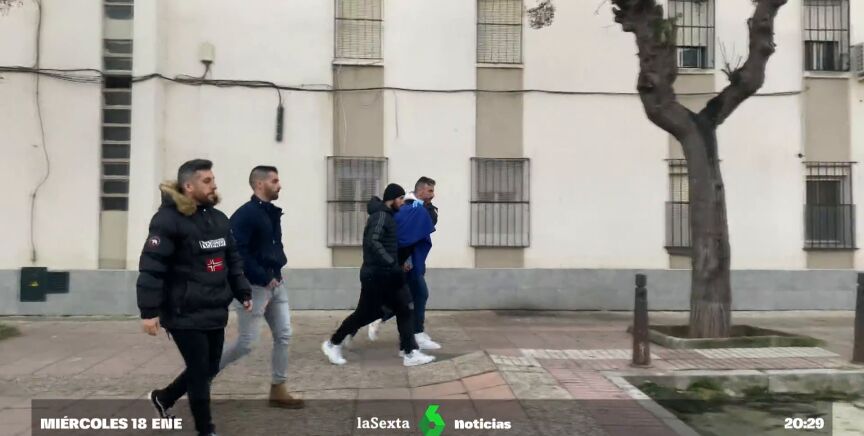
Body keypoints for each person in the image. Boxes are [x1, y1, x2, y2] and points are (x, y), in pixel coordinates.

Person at [138, 159, 252, 436]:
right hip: (183, 311)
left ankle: (164, 397)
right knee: (200, 372)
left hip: (214, 307)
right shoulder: (167, 220)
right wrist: (149, 311)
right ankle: (206, 430)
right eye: (207, 181)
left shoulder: (218, 219)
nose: (214, 185)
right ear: (189, 186)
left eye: (213, 179)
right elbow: (152, 267)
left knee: (209, 367)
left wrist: (242, 290)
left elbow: (232, 259)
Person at [321, 183, 436, 367]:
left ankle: (409, 352)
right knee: (364, 314)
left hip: (387, 274)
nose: (402, 202)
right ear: (392, 199)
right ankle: (333, 343)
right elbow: (372, 241)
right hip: (376, 275)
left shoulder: (387, 216)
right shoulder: (381, 216)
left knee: (405, 307)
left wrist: (395, 265)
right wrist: (391, 262)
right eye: (400, 199)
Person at [219, 166, 303, 409]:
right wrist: (263, 276)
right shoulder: (245, 215)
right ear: (259, 184)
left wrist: (275, 273)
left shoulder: (271, 212)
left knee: (284, 335)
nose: (279, 185)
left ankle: (278, 388)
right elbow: (236, 252)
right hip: (253, 288)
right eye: (274, 181)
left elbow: (274, 247)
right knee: (246, 343)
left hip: (276, 285)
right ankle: (202, 374)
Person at [368, 177, 440, 350]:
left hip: (413, 262)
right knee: (418, 295)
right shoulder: (408, 207)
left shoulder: (420, 207)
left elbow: (430, 221)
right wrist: (405, 260)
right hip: (406, 263)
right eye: (430, 191)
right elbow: (401, 237)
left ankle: (378, 319)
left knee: (409, 297)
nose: (433, 195)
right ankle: (414, 336)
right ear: (420, 190)